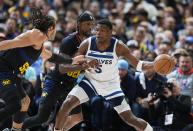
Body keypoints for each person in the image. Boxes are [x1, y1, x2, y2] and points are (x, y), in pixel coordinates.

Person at [54, 19, 159, 131]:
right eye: (97, 30)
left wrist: (155, 64)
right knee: (67, 103)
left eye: (102, 30)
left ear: (110, 32)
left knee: (130, 118)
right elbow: (74, 62)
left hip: (111, 85)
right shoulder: (87, 44)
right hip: (91, 82)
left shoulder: (118, 46)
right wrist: (86, 62)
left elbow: (138, 65)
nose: (98, 33)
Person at [0, 8, 85, 131]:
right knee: (17, 104)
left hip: (13, 74)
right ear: (50, 28)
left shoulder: (39, 45)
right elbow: (9, 43)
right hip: (3, 69)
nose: (55, 32)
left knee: (25, 102)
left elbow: (52, 57)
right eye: (55, 29)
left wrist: (72, 61)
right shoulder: (37, 35)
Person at [21, 11, 95, 130]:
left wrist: (89, 68)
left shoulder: (88, 44)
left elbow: (78, 69)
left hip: (69, 84)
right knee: (42, 117)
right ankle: (13, 127)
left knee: (77, 117)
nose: (91, 27)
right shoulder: (69, 41)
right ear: (79, 24)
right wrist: (83, 67)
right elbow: (62, 68)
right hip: (55, 82)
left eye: (92, 24)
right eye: (88, 24)